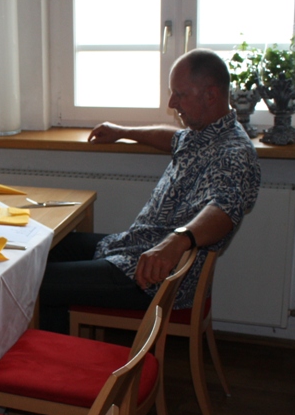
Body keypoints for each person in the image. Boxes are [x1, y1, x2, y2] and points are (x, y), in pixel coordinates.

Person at [38, 48, 261, 333]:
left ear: (210, 95)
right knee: (44, 248)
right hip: (136, 247)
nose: (171, 103)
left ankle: (56, 356)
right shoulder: (204, 135)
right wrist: (122, 131)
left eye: (179, 94)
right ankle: (63, 343)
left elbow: (224, 210)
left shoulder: (233, 153)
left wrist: (177, 241)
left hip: (156, 277)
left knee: (35, 281)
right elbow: (173, 138)